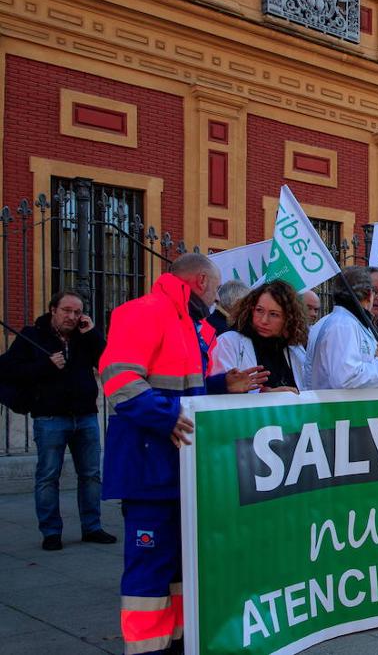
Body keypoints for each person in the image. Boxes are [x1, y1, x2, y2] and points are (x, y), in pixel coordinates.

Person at [99, 253, 266, 655]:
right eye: (214, 290)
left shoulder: (186, 323)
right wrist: (166, 416)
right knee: (149, 570)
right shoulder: (143, 312)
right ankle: (147, 650)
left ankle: (176, 643)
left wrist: (222, 386)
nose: (216, 301)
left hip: (177, 468)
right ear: (201, 281)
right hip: (148, 468)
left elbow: (184, 393)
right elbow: (118, 380)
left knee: (177, 566)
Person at [1, 291, 113, 550]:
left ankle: (92, 527)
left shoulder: (84, 338)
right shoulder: (32, 336)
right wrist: (45, 365)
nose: (72, 317)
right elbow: (7, 369)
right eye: (66, 310)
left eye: (77, 312)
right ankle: (51, 532)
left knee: (91, 475)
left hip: (85, 416)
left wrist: (93, 334)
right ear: (53, 309)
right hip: (50, 417)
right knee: (48, 476)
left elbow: (108, 361)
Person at [306, 267, 378, 392]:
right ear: (367, 294)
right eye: (374, 291)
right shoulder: (343, 325)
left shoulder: (355, 323)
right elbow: (346, 378)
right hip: (338, 410)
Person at [211, 281, 309, 393]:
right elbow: (214, 400)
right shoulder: (228, 342)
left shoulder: (295, 350)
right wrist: (263, 398)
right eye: (259, 310)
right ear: (250, 310)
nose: (264, 320)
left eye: (274, 314)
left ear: (289, 319)